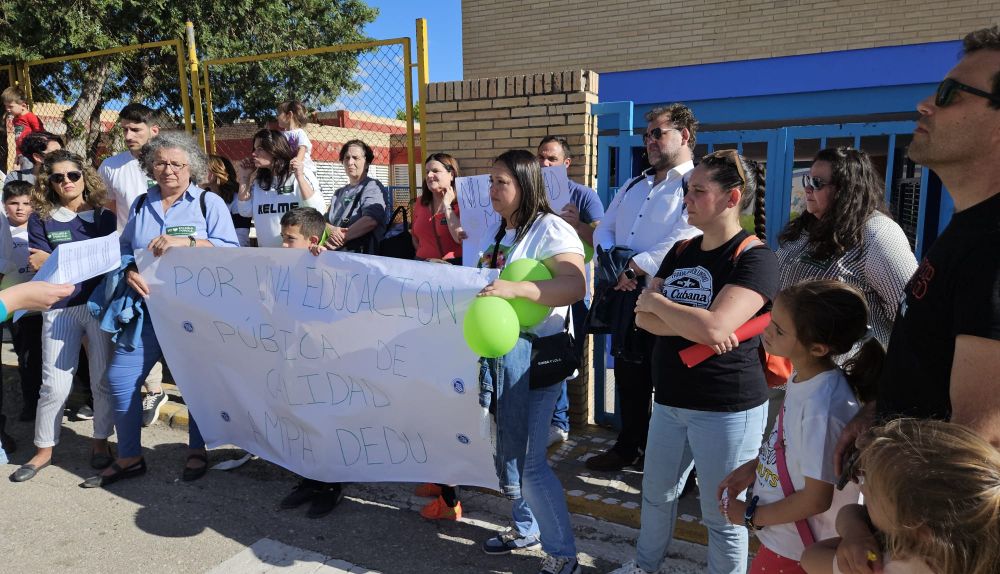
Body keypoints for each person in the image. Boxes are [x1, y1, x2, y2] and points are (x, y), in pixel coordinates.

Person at [833, 26, 1000, 486]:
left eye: (949, 94)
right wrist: (882, 411)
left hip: (920, 521)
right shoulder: (970, 228)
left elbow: (975, 446)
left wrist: (872, 524)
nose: (925, 104)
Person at [610, 150, 776, 574]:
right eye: (688, 189)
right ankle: (645, 567)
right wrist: (694, 323)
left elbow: (716, 328)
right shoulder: (682, 249)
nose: (687, 198)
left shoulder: (754, 257)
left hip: (725, 407)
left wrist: (663, 306)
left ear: (731, 198)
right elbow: (643, 317)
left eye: (698, 190)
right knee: (656, 495)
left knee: (722, 512)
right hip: (669, 400)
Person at [81, 132, 240, 488]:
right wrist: (129, 270)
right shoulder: (141, 204)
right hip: (145, 311)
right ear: (150, 167)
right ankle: (129, 457)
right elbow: (124, 248)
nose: (168, 170)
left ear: (191, 167)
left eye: (177, 164)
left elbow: (230, 251)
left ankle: (198, 449)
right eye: (160, 163)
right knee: (120, 380)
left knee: (195, 382)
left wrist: (186, 241)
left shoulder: (208, 203)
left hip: (192, 312)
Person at [717, 280, 880, 573]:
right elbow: (792, 446)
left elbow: (816, 499)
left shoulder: (822, 407)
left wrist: (751, 516)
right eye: (771, 320)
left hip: (798, 548)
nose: (767, 331)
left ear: (817, 348)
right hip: (786, 538)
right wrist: (755, 467)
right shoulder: (806, 379)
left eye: (779, 330)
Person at [477, 149, 585, 574]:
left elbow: (574, 285)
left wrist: (516, 291)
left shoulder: (551, 228)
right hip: (500, 358)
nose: (492, 190)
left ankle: (563, 554)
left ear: (525, 184)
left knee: (530, 464)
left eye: (501, 182)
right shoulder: (501, 230)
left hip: (536, 361)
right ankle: (526, 529)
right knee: (507, 452)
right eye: (490, 181)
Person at [587, 104, 700, 472]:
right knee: (628, 374)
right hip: (626, 294)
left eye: (657, 133)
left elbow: (686, 234)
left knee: (667, 381)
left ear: (684, 136)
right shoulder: (634, 184)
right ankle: (628, 446)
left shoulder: (695, 183)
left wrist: (636, 267)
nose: (649, 141)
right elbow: (605, 228)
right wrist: (614, 263)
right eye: (646, 135)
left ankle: (666, 460)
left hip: (669, 298)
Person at [9, 150, 117, 483]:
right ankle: (43, 450)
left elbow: (108, 262)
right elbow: (39, 263)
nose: (66, 182)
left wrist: (57, 256)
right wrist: (78, 259)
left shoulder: (104, 217)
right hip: (58, 308)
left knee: (101, 380)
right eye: (57, 177)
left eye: (72, 175)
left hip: (97, 307)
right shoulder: (42, 218)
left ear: (85, 176)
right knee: (54, 385)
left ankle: (100, 442)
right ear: (49, 182)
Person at [801, 419, 1000, 574]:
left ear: (914, 526)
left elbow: (810, 557)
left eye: (871, 488)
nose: (862, 490)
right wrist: (857, 532)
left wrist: (854, 534)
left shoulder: (889, 567)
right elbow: (853, 511)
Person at [776, 147, 916, 348]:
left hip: (848, 363)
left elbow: (908, 312)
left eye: (817, 183)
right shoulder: (807, 225)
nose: (807, 189)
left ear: (846, 189)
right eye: (808, 180)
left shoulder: (876, 233)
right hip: (795, 359)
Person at [97, 102, 168, 427]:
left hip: (174, 257)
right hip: (132, 260)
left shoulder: (169, 161)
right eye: (124, 129)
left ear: (153, 130)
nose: (128, 135)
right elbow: (111, 215)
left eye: (135, 129)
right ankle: (152, 389)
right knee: (136, 320)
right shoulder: (111, 166)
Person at [274, 207, 347, 518]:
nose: (283, 245)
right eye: (283, 238)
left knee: (326, 421)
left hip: (324, 361)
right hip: (294, 356)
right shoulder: (283, 267)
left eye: (290, 239)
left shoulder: (331, 268)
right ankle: (308, 479)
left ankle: (331, 485)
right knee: (300, 419)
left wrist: (323, 265)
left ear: (312, 241)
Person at [536, 135, 605, 447]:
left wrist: (578, 225)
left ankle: (560, 422)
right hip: (537, 289)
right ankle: (546, 420)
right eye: (540, 157)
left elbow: (602, 240)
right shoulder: (530, 193)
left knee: (561, 354)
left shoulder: (584, 196)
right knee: (540, 354)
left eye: (551, 158)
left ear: (566, 163)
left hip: (571, 291)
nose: (544, 164)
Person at [237, 128, 324, 248]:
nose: (254, 154)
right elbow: (245, 211)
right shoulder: (259, 182)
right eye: (254, 149)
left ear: (275, 149)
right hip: (268, 254)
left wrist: (299, 177)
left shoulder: (301, 174)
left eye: (260, 149)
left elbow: (318, 209)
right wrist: (244, 178)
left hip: (297, 254)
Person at [2, 180, 42, 422]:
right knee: (25, 356)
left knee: (42, 355)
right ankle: (31, 403)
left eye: (26, 203)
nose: (20, 208)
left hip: (41, 304)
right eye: (13, 203)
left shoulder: (40, 230)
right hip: (14, 308)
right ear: (4, 205)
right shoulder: (3, 232)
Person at [321, 139, 387, 253]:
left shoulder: (372, 187)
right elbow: (324, 222)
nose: (350, 162)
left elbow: (371, 220)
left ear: (367, 163)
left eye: (355, 158)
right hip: (335, 252)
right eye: (346, 158)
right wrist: (333, 230)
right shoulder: (338, 193)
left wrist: (342, 237)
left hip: (360, 254)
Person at [411, 152, 465, 263]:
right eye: (427, 172)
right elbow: (415, 237)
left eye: (435, 171)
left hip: (453, 266)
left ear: (451, 174)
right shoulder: (420, 202)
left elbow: (460, 239)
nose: (429, 175)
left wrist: (447, 205)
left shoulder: (463, 203)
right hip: (423, 264)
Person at [204, 154, 251, 246]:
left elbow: (241, 235)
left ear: (218, 172)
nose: (199, 173)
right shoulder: (203, 197)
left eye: (205, 169)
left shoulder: (236, 198)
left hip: (231, 250)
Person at [2, 86, 43, 168]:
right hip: (21, 155)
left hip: (31, 155)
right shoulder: (15, 119)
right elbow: (18, 139)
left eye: (10, 106)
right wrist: (17, 156)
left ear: (23, 106)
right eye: (6, 106)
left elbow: (41, 134)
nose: (7, 109)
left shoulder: (30, 117)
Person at [276, 100, 317, 179]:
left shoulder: (299, 133)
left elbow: (302, 148)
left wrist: (297, 161)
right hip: (288, 170)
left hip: (304, 170)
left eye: (279, 114)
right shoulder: (280, 135)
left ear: (289, 115)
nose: (277, 117)